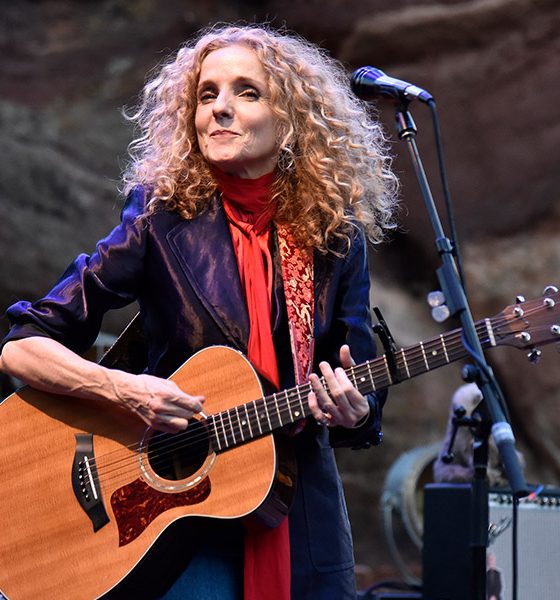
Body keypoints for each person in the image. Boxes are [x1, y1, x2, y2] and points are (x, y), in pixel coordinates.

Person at [0, 24, 398, 600]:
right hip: (177, 522)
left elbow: (357, 384)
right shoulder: (159, 221)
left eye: (247, 92)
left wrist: (355, 409)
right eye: (207, 95)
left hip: (298, 508)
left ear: (291, 122)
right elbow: (22, 345)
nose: (220, 110)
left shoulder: (335, 238)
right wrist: (122, 389)